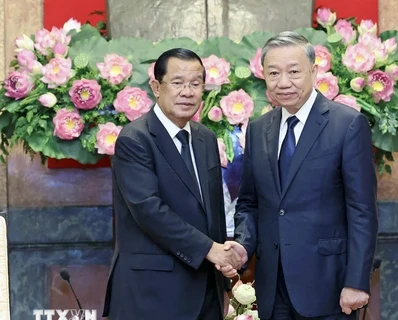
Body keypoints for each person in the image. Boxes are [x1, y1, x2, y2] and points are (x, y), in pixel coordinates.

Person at [222, 31, 379, 319]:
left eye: (294, 72)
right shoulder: (258, 129)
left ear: (314, 71)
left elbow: (362, 211)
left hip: (329, 285)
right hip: (272, 285)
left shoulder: (347, 124)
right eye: (273, 73)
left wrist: (357, 281)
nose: (284, 82)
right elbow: (250, 203)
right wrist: (244, 246)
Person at [102, 48, 246, 320]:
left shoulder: (204, 139)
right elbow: (149, 210)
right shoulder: (135, 139)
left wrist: (223, 282)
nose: (187, 92)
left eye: (195, 84)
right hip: (152, 293)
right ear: (156, 87)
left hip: (205, 291)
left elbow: (211, 213)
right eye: (177, 83)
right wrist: (210, 250)